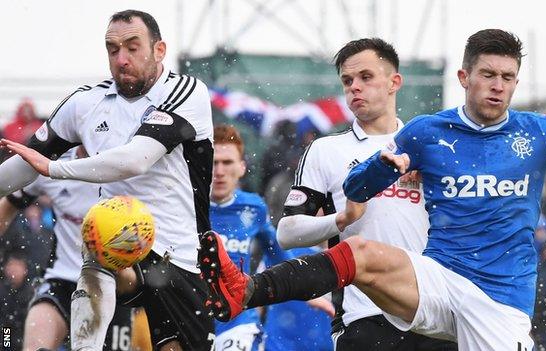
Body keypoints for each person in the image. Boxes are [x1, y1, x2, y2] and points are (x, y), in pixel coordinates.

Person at [197, 29, 546, 351]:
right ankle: (246, 291)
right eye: (488, 74)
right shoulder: (427, 132)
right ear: (464, 76)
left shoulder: (540, 132)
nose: (498, 85)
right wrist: (381, 171)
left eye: (508, 77)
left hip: (500, 300)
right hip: (436, 281)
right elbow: (355, 186)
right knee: (361, 254)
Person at [0, 9, 214, 351]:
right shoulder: (85, 102)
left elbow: (135, 161)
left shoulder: (186, 91)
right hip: (119, 249)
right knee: (101, 237)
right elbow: (24, 164)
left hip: (180, 256)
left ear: (159, 50)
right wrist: (38, 166)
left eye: (132, 47)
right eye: (112, 50)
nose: (121, 59)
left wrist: (53, 168)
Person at [274, 38, 456, 350]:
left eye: (366, 77)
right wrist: (343, 218)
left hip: (433, 312)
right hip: (364, 316)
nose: (354, 87)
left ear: (394, 82)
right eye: (348, 81)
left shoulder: (432, 149)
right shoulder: (326, 150)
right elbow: (287, 233)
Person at [0, 146, 138, 351]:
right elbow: (6, 207)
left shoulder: (126, 168)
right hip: (60, 281)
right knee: (24, 342)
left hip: (111, 285)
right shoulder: (51, 166)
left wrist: (115, 261)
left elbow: (132, 281)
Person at [209, 124, 332, 350]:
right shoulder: (187, 206)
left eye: (227, 163)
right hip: (191, 314)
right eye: (214, 162)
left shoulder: (254, 207)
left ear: (242, 167)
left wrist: (303, 289)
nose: (219, 171)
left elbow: (276, 251)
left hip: (237, 321)